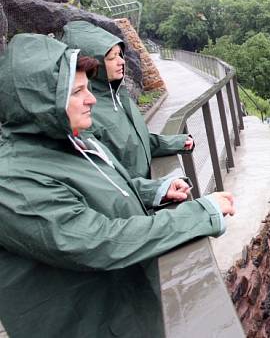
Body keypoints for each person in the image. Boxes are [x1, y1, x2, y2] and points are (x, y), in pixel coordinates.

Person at [0, 34, 235, 338]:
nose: (91, 99)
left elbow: (104, 186)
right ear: (39, 103)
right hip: (88, 323)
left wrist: (155, 191)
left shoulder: (70, 139)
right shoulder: (12, 179)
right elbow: (95, 240)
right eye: (78, 91)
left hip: (125, 308)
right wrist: (199, 214)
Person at [62, 21, 193, 181]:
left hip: (147, 189)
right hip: (139, 200)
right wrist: (154, 192)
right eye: (111, 58)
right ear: (93, 64)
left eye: (120, 55)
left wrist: (176, 142)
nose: (121, 61)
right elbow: (106, 180)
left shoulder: (118, 96)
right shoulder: (85, 112)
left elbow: (137, 142)